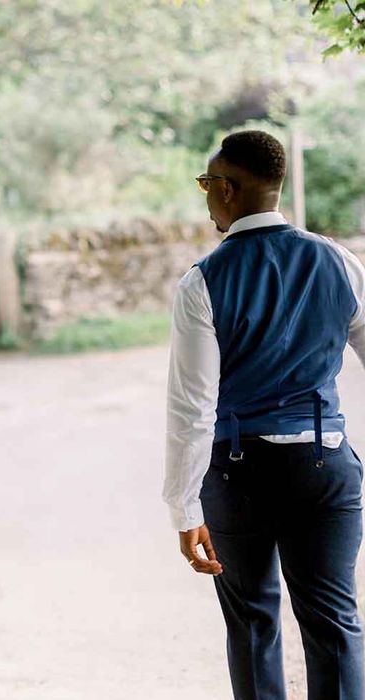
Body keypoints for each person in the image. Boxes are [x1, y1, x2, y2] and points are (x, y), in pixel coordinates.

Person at [162, 130, 365, 699]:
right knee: (335, 625)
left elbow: (192, 407)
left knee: (252, 623)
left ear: (228, 189)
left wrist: (183, 507)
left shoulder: (202, 282)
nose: (206, 199)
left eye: (207, 185)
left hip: (237, 471)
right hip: (324, 465)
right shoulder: (339, 262)